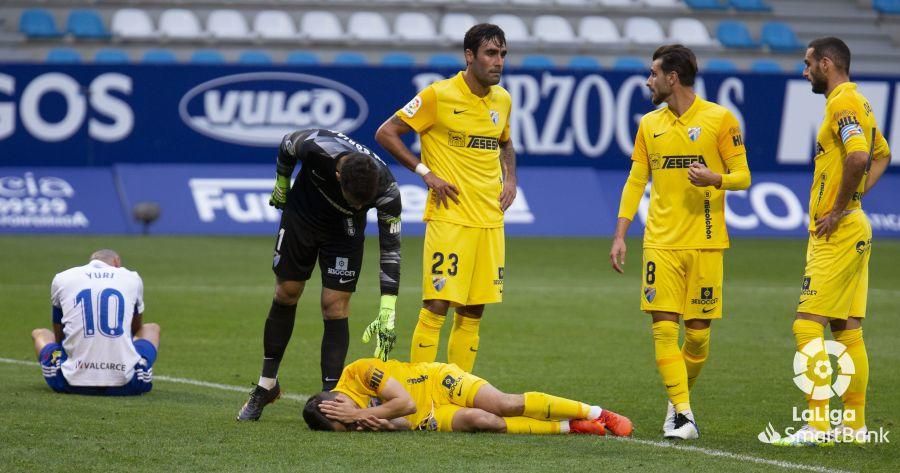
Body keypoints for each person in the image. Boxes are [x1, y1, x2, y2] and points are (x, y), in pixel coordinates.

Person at [608, 44, 751, 440]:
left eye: (653, 73)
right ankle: (685, 415)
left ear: (672, 77)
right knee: (663, 327)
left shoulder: (719, 119)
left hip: (705, 243)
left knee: (699, 338)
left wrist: (715, 178)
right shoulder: (649, 125)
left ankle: (676, 399)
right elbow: (636, 181)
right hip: (660, 242)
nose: (648, 80)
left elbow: (743, 175)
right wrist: (620, 234)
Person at [375, 23, 516, 374]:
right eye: (490, 53)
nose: (498, 62)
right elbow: (386, 132)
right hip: (450, 218)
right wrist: (426, 173)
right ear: (469, 56)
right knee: (437, 304)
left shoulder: (503, 99)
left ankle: (459, 389)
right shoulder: (438, 95)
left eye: (502, 54)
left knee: (473, 311)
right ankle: (420, 387)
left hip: (490, 220)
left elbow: (505, 142)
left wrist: (511, 178)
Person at [236, 129, 403, 421]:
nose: (361, 207)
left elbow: (391, 250)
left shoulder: (387, 191)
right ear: (339, 178)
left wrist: (388, 307)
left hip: (344, 233)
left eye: (365, 204)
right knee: (286, 292)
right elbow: (287, 145)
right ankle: (266, 385)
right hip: (302, 216)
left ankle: (332, 396)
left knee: (335, 306)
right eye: (356, 202)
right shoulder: (316, 146)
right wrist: (281, 182)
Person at [772, 37, 891, 447]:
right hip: (854, 226)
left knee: (806, 326)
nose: (804, 71)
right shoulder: (861, 102)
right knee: (848, 330)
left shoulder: (842, 103)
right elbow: (882, 154)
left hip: (837, 231)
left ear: (826, 63)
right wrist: (855, 199)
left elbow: (860, 157)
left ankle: (818, 425)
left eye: (808, 64)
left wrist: (839, 207)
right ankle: (854, 426)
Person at [302, 357, 633, 436]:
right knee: (485, 421)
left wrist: (359, 416)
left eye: (342, 417)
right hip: (428, 418)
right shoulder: (356, 421)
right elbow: (405, 418)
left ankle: (597, 413)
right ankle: (569, 427)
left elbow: (405, 402)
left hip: (437, 380)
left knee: (505, 403)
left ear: (333, 402)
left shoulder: (359, 372)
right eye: (344, 426)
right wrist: (389, 427)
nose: (349, 422)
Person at [32, 249, 161, 396]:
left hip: (70, 382)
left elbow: (59, 333)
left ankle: (74, 366)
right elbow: (135, 329)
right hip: (128, 384)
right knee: (151, 328)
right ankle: (136, 364)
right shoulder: (132, 278)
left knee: (40, 333)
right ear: (117, 261)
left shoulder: (62, 278)